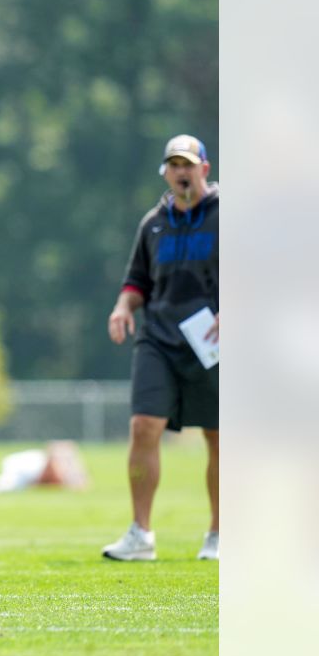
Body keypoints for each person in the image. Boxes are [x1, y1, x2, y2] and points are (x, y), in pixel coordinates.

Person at [103, 134, 219, 562]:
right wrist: (122, 306)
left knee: (220, 435)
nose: (182, 172)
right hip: (159, 337)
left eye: (189, 164)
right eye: (174, 165)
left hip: (214, 341)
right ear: (165, 172)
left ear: (204, 169)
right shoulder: (153, 222)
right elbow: (137, 281)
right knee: (143, 427)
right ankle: (141, 533)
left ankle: (220, 533)